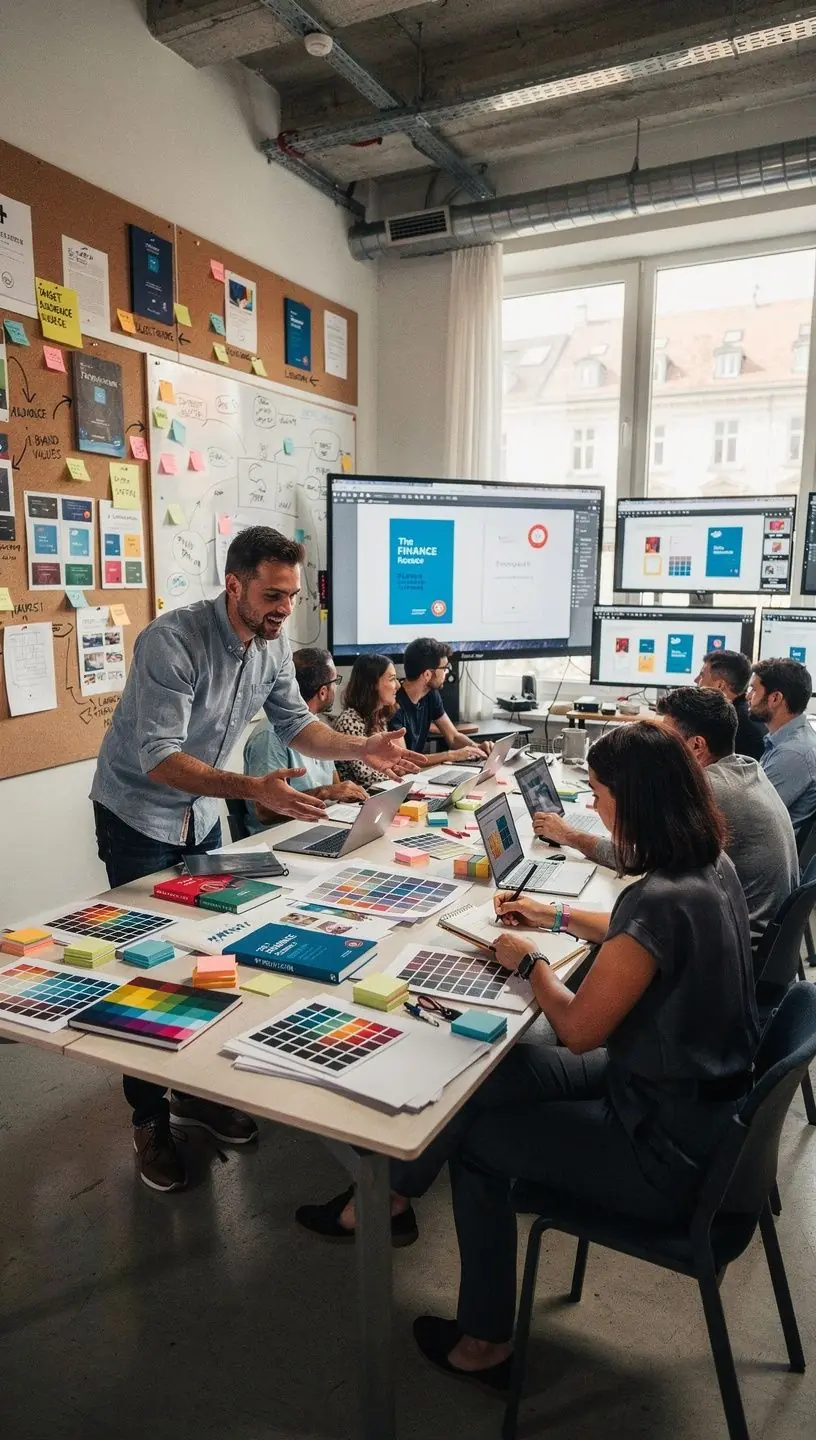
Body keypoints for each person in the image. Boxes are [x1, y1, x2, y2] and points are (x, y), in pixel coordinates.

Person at [296, 723, 759, 1389]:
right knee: (489, 1073)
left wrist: (533, 961)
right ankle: (390, 1198)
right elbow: (638, 939)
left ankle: (483, 1343)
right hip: (689, 1104)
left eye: (599, 792)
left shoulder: (659, 900)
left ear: (633, 801)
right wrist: (558, 918)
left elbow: (575, 1029)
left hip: (661, 1149)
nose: (595, 806)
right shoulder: (708, 867)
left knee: (479, 1144)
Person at [91, 527, 421, 1192]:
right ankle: (149, 1118)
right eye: (272, 595)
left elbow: (299, 727)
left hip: (203, 813)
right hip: (138, 812)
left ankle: (197, 1092)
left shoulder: (268, 649)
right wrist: (251, 788)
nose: (281, 609)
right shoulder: (172, 641)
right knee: (152, 960)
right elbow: (158, 758)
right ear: (234, 585)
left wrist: (361, 752)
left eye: (291, 597)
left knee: (213, 950)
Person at [536, 688, 798, 955]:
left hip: (732, 957)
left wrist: (570, 837)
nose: (656, 748)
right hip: (757, 947)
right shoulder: (745, 766)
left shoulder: (706, 790)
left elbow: (637, 858)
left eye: (666, 740)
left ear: (696, 746)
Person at [242, 647, 367, 832]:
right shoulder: (269, 736)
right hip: (281, 839)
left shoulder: (322, 731)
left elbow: (335, 786)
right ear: (323, 692)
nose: (337, 686)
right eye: (335, 681)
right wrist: (324, 793)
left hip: (321, 828)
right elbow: (265, 811)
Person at [388, 637, 491, 763]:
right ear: (427, 675)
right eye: (444, 668)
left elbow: (453, 737)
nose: (447, 673)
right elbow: (403, 760)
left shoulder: (431, 694)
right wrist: (450, 755)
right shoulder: (393, 705)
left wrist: (477, 748)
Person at [749, 657, 816, 838]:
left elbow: (750, 817)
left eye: (754, 690)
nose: (748, 696)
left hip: (765, 856)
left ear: (775, 698)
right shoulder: (785, 741)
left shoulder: (793, 753)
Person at [333, 654, 403, 793]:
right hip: (355, 802)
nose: (398, 685)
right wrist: (397, 776)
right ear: (373, 684)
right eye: (392, 679)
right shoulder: (350, 720)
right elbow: (364, 775)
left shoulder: (379, 718)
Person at [695, 648, 766, 761]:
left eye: (702, 676)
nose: (696, 680)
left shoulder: (725, 724)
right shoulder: (747, 714)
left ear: (720, 685)